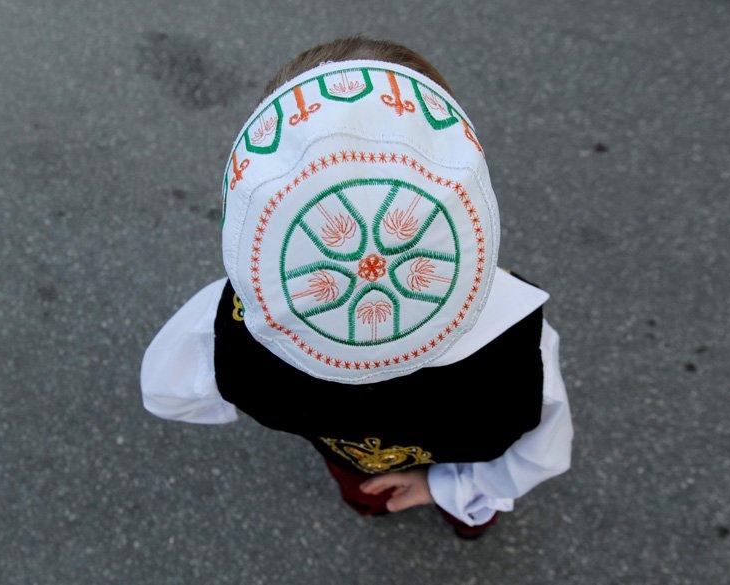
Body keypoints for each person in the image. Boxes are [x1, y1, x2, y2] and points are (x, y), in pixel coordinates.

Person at [140, 36, 573, 540]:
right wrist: (450, 488)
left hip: (355, 464)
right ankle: (465, 514)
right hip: (471, 458)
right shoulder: (522, 335)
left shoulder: (234, 327)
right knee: (470, 502)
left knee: (368, 494)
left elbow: (168, 391)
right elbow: (543, 446)